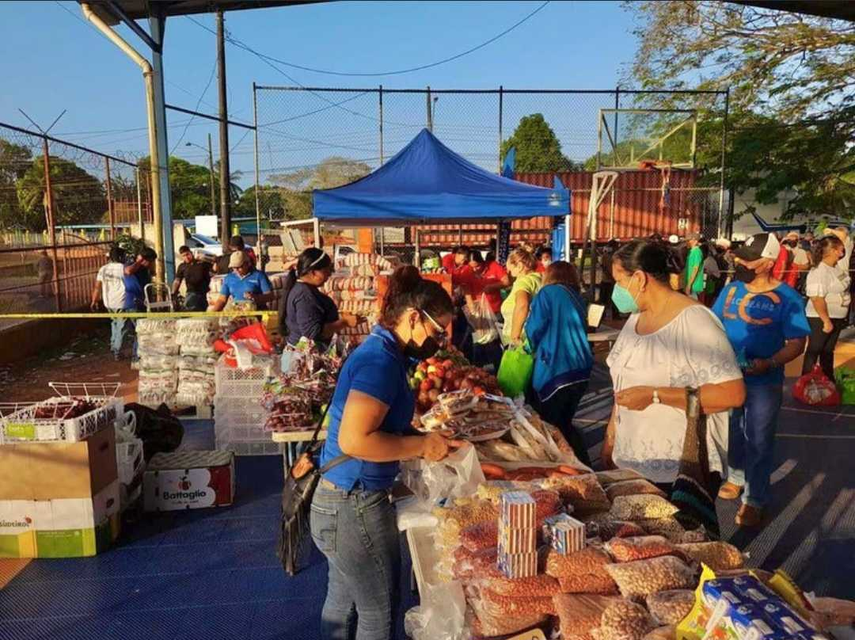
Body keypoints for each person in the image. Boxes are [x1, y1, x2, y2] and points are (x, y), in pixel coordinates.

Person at [311, 266, 461, 640]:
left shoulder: (385, 354)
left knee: (343, 601)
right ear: (413, 317)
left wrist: (421, 438)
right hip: (354, 503)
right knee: (378, 612)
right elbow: (356, 440)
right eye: (437, 331)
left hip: (338, 498)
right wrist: (422, 445)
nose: (440, 341)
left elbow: (377, 429)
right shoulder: (379, 361)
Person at [603, 240, 745, 491]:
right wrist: (612, 436)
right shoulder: (635, 319)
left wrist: (656, 395)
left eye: (620, 281)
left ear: (639, 278)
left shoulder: (695, 322)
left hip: (679, 468)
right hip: (631, 460)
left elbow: (732, 393)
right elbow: (623, 383)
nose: (617, 290)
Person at [713, 232, 810, 527]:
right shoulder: (730, 291)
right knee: (731, 430)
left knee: (758, 437)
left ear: (767, 263)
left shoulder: (788, 298)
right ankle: (736, 476)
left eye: (748, 259)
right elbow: (714, 324)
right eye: (739, 256)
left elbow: (797, 343)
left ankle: (755, 498)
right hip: (728, 376)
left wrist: (769, 362)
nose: (739, 261)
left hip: (763, 380)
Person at [525, 261, 593, 465]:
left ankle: (570, 466)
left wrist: (528, 347)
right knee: (565, 422)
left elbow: (534, 329)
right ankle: (584, 465)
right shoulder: (577, 297)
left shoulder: (547, 294)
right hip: (581, 368)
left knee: (552, 426)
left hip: (555, 368)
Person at [279, 247, 357, 347]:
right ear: (313, 273)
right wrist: (344, 322)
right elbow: (313, 333)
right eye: (327, 270)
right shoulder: (304, 295)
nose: (330, 274)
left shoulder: (305, 289)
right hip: (304, 357)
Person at [803, 235, 851, 381]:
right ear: (832, 250)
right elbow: (817, 298)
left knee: (828, 350)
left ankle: (827, 380)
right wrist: (826, 320)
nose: (842, 251)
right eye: (839, 248)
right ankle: (806, 381)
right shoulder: (819, 271)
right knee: (814, 350)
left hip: (837, 317)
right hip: (821, 318)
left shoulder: (836, 268)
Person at [91, 246, 130, 360]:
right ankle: (117, 350)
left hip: (108, 302)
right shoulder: (123, 268)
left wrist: (94, 300)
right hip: (121, 301)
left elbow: (97, 287)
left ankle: (114, 346)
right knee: (122, 326)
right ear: (121, 256)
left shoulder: (103, 269)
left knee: (114, 323)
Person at [501, 247, 542, 346]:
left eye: (510, 270)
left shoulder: (523, 282)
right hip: (536, 335)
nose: (509, 273)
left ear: (519, 266)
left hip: (522, 339)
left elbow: (522, 305)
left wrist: (515, 335)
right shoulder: (539, 279)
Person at [209, 251, 274, 312]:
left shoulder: (259, 276)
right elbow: (222, 299)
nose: (236, 270)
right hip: (237, 314)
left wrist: (255, 297)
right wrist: (213, 314)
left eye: (239, 267)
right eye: (234, 268)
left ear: (248, 264)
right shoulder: (229, 278)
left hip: (257, 314)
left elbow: (270, 296)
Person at [173, 245, 212, 311]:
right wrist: (173, 293)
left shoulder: (202, 263)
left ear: (191, 252)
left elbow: (215, 265)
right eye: (183, 256)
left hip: (205, 293)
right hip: (192, 292)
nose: (186, 257)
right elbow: (177, 280)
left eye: (187, 254)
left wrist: (205, 258)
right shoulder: (182, 266)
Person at [683, 233, 704, 299]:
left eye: (688, 240)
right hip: (689, 284)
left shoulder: (697, 251)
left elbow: (695, 269)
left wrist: (689, 285)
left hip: (693, 285)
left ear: (695, 240)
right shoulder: (691, 251)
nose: (686, 242)